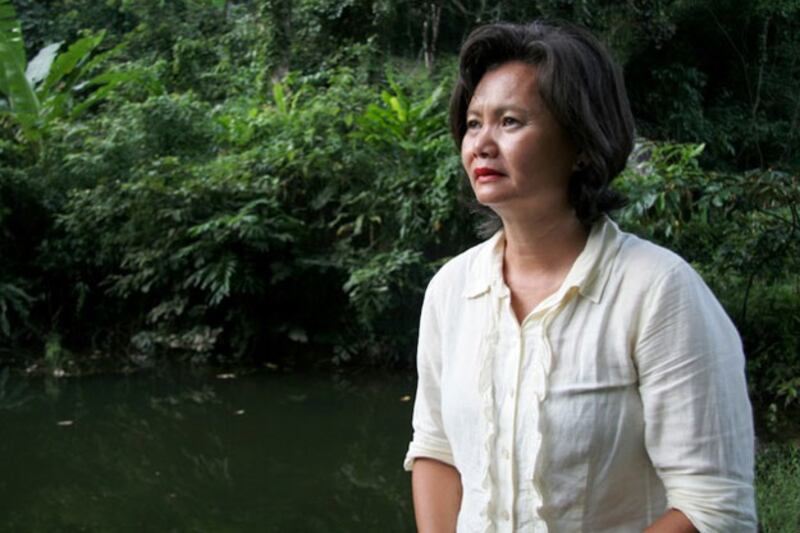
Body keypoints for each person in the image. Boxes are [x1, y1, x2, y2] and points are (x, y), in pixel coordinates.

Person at [403, 20, 756, 533]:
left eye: (510, 121)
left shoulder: (657, 290)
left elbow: (714, 507)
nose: (481, 144)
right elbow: (436, 450)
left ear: (583, 144)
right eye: (474, 123)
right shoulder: (450, 290)